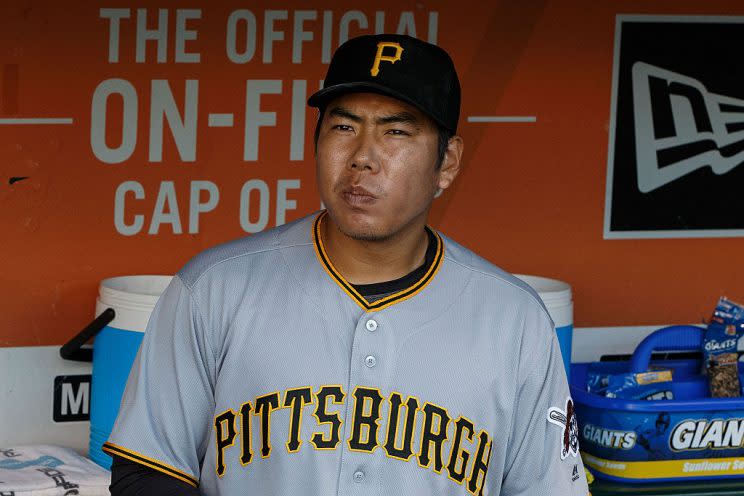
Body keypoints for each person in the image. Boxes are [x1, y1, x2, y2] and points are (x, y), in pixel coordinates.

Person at [104, 33, 589, 496]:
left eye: (396, 131)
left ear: (448, 162)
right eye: (343, 126)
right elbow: (145, 473)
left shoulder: (515, 321)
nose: (362, 157)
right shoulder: (213, 288)